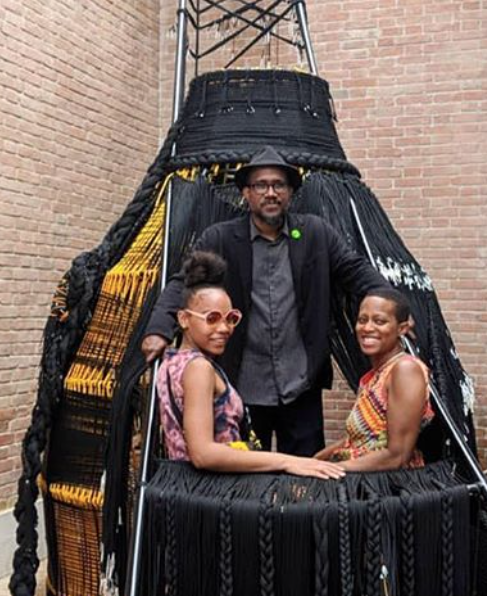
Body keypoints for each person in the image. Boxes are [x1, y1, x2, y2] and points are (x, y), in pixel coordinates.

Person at [143, 146, 389, 455]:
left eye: (279, 185)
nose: (270, 193)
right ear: (246, 193)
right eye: (261, 185)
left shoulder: (315, 233)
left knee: (304, 484)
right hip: (242, 386)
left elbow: (355, 271)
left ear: (290, 193)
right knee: (246, 483)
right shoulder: (220, 238)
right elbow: (183, 282)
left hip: (301, 386)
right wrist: (159, 329)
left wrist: (393, 305)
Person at [156, 250, 343, 479]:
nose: (224, 329)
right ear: (184, 318)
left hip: (189, 487)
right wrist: (285, 461)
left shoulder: (172, 362)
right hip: (215, 493)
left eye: (231, 318)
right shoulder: (199, 368)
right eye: (212, 318)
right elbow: (203, 454)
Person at [317, 288, 434, 470]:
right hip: (361, 474)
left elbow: (398, 456)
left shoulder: (405, 370)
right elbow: (359, 441)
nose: (368, 328)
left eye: (379, 321)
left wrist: (332, 469)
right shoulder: (374, 376)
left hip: (385, 485)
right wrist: (313, 461)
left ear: (401, 328)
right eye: (362, 320)